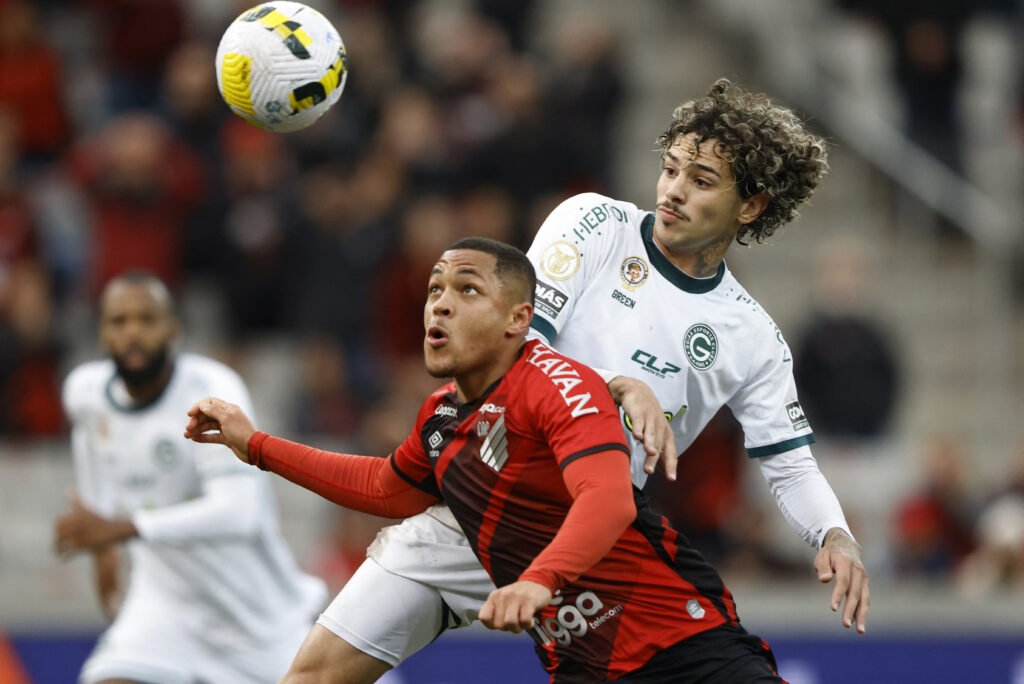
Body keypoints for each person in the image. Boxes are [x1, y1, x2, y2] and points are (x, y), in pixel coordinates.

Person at [263, 78, 869, 683]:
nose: (674, 192)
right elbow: (516, 339)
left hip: (590, 528)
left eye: (701, 181)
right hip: (479, 488)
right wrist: (619, 384)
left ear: (752, 206)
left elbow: (789, 463)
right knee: (313, 676)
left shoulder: (751, 335)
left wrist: (834, 534)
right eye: (671, 170)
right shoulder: (595, 222)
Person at [186, 237, 787, 682]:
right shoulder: (444, 414)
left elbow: (607, 499)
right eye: (435, 290)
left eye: (466, 289)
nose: (439, 306)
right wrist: (256, 445)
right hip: (587, 664)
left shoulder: (557, 384)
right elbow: (385, 487)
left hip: (683, 647)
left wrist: (537, 581)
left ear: (518, 320)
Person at [53, 270, 327, 684]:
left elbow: (240, 513)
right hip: (165, 610)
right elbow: (93, 457)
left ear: (173, 328)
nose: (133, 333)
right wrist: (103, 549)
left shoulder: (211, 389)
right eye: (119, 321)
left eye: (147, 319)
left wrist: (122, 528)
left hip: (256, 617)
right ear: (102, 333)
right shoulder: (84, 392)